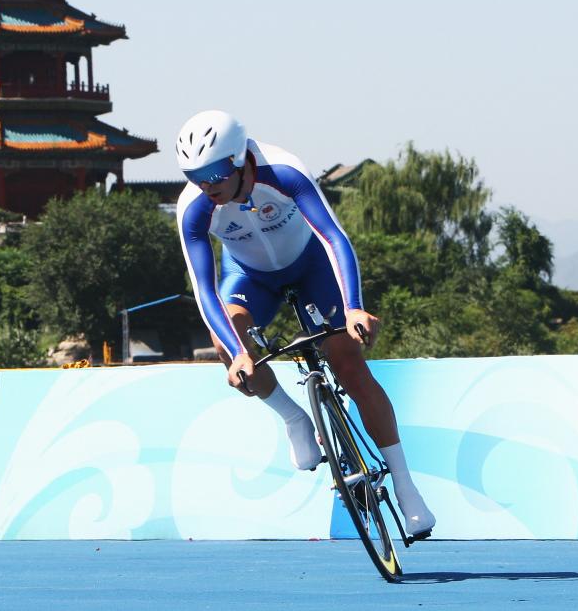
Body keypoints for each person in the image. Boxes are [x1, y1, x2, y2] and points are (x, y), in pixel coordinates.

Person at [174, 109, 435, 539]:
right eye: (195, 176)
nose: (207, 186)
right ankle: (294, 419)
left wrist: (353, 307)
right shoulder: (194, 208)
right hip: (249, 278)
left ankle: (406, 488)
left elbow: (334, 237)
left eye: (216, 173)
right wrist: (239, 355)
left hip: (310, 266)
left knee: (348, 364)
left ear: (240, 160)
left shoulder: (284, 171)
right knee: (228, 345)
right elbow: (204, 290)